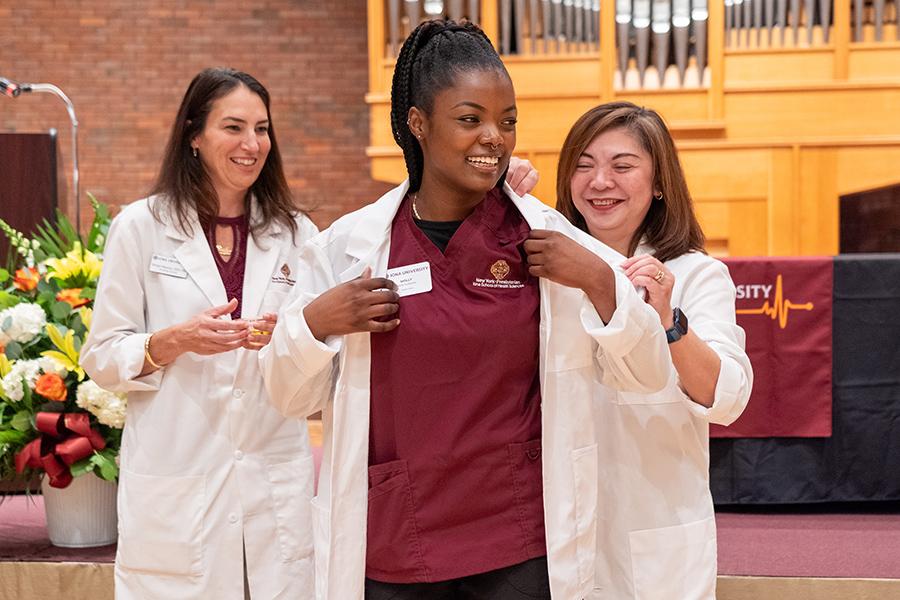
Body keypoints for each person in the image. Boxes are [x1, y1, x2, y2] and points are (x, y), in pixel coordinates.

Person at [260, 20, 670, 600]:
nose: (494, 139)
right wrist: (313, 323)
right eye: (470, 119)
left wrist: (602, 282)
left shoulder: (550, 241)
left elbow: (648, 375)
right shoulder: (349, 247)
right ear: (419, 124)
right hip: (398, 538)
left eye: (507, 122)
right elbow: (287, 397)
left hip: (517, 540)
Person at [81, 68, 317, 600]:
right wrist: (173, 340)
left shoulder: (298, 234)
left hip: (272, 482)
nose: (251, 144)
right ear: (194, 134)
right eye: (233, 127)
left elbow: (323, 359)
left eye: (262, 129)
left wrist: (291, 339)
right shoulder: (140, 227)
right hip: (178, 481)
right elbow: (101, 356)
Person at [513, 101, 753, 598]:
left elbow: (727, 398)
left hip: (654, 525)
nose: (600, 182)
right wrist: (497, 201)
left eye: (622, 166)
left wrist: (668, 320)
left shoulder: (695, 274)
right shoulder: (545, 265)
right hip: (553, 523)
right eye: (584, 165)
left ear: (659, 181)